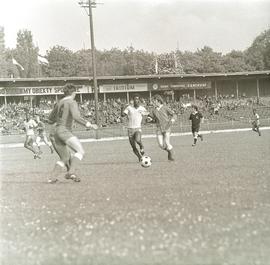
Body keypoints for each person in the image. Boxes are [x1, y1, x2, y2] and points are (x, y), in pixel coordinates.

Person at [47, 83, 98, 183]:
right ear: (73, 93)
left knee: (65, 157)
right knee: (80, 151)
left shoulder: (59, 102)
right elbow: (76, 116)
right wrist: (89, 124)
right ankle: (71, 172)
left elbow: (50, 119)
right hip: (64, 130)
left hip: (56, 132)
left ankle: (51, 178)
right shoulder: (72, 102)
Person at [148, 94, 176, 161]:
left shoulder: (165, 107)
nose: (153, 102)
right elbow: (152, 119)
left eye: (154, 101)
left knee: (166, 142)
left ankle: (171, 155)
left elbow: (174, 114)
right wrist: (149, 120)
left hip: (166, 127)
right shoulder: (153, 110)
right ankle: (169, 151)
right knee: (161, 145)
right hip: (159, 128)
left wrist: (172, 120)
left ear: (158, 101)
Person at [121, 94, 149, 162]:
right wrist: (122, 108)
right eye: (135, 99)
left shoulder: (142, 108)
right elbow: (122, 115)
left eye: (137, 99)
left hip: (137, 128)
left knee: (137, 140)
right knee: (133, 146)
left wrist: (148, 118)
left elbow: (148, 114)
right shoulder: (129, 108)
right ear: (133, 100)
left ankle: (141, 147)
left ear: (139, 100)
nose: (136, 100)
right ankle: (139, 157)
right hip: (130, 129)